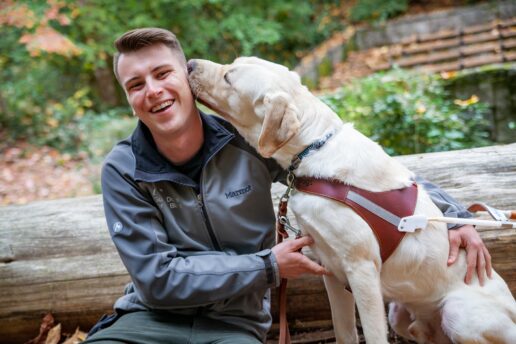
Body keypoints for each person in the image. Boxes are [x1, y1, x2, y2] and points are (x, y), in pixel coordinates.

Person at [83, 27, 492, 344]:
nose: (152, 91)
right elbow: (156, 280)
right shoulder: (123, 169)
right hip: (146, 320)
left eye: (161, 73)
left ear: (186, 77)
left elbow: (361, 176)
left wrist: (454, 218)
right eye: (136, 85)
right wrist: (268, 266)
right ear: (128, 96)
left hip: (235, 324)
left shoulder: (248, 142)